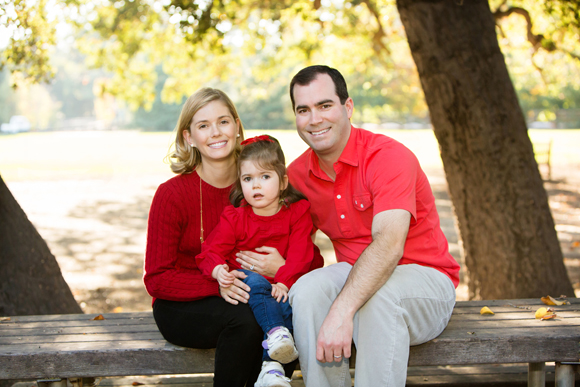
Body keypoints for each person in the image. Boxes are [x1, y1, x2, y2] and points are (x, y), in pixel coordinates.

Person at [286, 65, 460, 386]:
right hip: (355, 273)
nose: (314, 119)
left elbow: (389, 245)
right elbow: (287, 238)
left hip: (424, 279)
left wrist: (340, 312)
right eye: (303, 110)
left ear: (347, 107)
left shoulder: (388, 157)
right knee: (307, 292)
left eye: (325, 105)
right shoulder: (297, 174)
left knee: (379, 299)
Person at [144, 88, 277, 386]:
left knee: (281, 315)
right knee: (248, 319)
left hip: (248, 294)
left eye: (223, 122)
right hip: (182, 303)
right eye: (203, 125)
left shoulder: (261, 187)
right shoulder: (172, 194)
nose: (216, 132)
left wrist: (280, 265)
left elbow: (298, 247)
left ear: (237, 126)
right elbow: (157, 278)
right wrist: (218, 283)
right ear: (189, 137)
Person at [196, 134, 324, 387]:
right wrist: (218, 271)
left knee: (290, 303)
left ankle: (272, 369)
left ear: (283, 181)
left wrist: (285, 282)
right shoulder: (236, 217)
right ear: (240, 183)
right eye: (248, 179)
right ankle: (275, 340)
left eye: (265, 177)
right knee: (252, 280)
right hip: (253, 289)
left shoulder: (297, 213)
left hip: (283, 286)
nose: (256, 185)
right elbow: (209, 251)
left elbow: (302, 255)